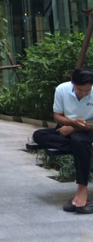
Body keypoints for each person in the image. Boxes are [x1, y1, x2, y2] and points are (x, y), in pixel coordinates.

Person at [32, 68, 93, 213]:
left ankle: (82, 188)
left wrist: (74, 129)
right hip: (66, 128)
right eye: (80, 90)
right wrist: (71, 124)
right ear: (72, 82)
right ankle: (83, 147)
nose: (83, 93)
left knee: (79, 141)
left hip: (89, 129)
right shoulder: (62, 89)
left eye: (87, 91)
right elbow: (57, 115)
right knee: (39, 135)